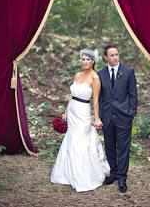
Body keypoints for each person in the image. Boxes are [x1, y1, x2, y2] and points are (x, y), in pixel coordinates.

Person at [50, 49, 110, 192]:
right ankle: (67, 174)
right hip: (72, 111)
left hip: (83, 112)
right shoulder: (77, 75)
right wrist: (66, 111)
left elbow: (95, 101)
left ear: (93, 61)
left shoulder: (95, 78)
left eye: (87, 59)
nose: (84, 62)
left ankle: (83, 175)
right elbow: (71, 95)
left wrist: (96, 118)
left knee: (81, 140)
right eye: (82, 59)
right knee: (71, 139)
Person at [97, 44, 138, 193]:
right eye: (112, 55)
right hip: (107, 117)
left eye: (117, 54)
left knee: (123, 148)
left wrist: (131, 112)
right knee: (109, 146)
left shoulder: (128, 72)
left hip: (123, 117)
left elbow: (133, 94)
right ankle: (113, 173)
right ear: (106, 57)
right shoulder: (100, 74)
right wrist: (99, 116)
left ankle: (122, 178)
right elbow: (99, 97)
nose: (115, 57)